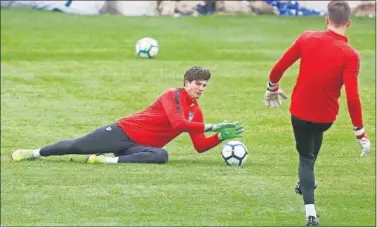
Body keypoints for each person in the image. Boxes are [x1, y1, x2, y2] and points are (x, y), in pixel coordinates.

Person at [263, 1, 371, 226]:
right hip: (326, 118)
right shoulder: (351, 55)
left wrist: (272, 87)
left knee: (305, 157)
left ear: (326, 19)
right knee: (311, 151)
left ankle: (310, 212)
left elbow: (279, 67)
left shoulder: (307, 38)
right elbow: (352, 96)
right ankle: (303, 182)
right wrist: (360, 132)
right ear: (349, 23)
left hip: (300, 113)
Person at [12, 66, 244, 164]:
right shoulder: (172, 95)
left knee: (161, 156)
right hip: (123, 132)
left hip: (138, 147)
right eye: (197, 84)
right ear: (186, 83)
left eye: (204, 85)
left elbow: (200, 147)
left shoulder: (197, 111)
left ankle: (107, 160)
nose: (201, 89)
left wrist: (220, 136)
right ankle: (34, 153)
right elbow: (177, 122)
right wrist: (213, 126)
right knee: (77, 145)